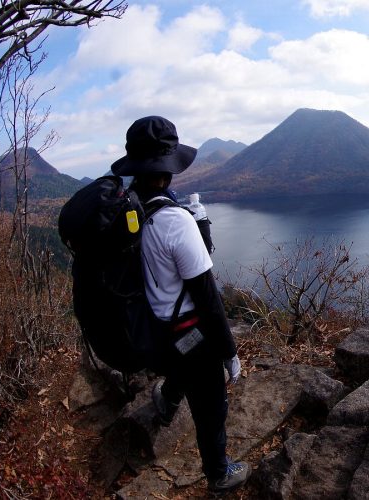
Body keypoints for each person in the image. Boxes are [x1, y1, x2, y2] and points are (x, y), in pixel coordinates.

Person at [111, 115, 250, 494]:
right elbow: (206, 295)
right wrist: (229, 351)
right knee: (212, 406)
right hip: (187, 335)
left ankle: (168, 397)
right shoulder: (174, 220)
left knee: (183, 363)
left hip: (150, 333)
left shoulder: (130, 210)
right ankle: (219, 473)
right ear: (168, 170)